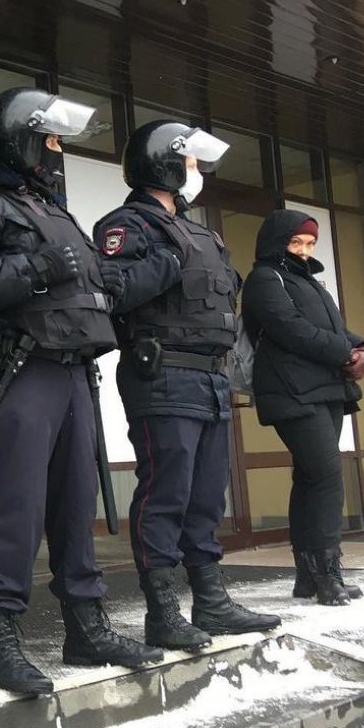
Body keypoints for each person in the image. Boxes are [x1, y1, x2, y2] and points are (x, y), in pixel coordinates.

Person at [0, 88, 162, 697]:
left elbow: (86, 277)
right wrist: (36, 268)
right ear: (20, 136)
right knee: (16, 505)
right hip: (18, 367)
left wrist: (136, 275)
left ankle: (86, 626)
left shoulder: (45, 205)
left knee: (76, 504)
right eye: (50, 138)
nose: (56, 151)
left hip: (72, 367)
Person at [95, 121, 279, 651]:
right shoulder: (128, 225)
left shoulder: (202, 231)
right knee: (165, 495)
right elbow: (115, 291)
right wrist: (165, 262)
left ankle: (211, 601)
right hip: (163, 373)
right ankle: (163, 612)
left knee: (204, 498)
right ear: (167, 164)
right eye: (192, 163)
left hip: (210, 377)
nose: (196, 173)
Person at [241, 210, 364, 605]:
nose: (303, 251)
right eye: (295, 242)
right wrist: (345, 354)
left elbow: (337, 330)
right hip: (290, 391)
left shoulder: (311, 284)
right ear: (276, 241)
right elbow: (290, 329)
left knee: (311, 478)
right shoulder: (265, 279)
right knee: (327, 476)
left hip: (323, 390)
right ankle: (327, 573)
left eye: (310, 244)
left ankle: (310, 576)